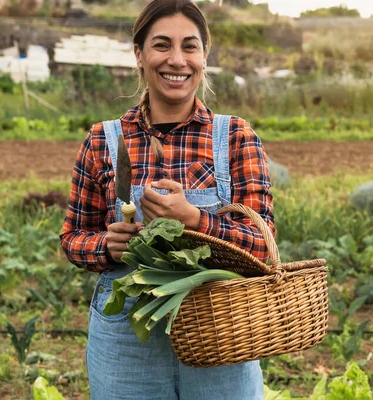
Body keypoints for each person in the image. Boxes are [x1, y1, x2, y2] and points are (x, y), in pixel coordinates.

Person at [60, 0, 275, 398]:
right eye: (162, 45)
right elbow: (73, 237)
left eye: (189, 47)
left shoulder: (235, 137)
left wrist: (195, 220)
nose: (177, 60)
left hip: (219, 331)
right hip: (127, 337)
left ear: (204, 56)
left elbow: (262, 246)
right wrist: (107, 245)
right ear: (139, 55)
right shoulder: (104, 141)